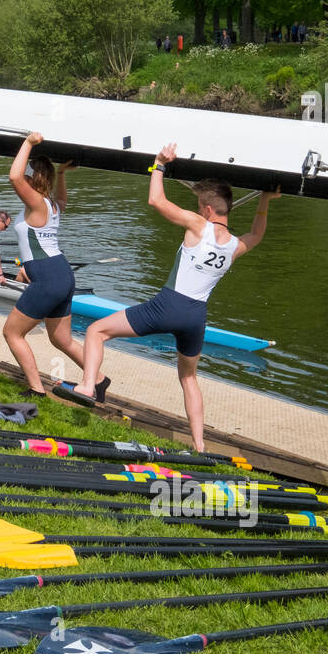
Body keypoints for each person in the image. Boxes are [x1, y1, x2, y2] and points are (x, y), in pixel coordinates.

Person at [66, 144, 278, 449]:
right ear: (227, 209)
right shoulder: (235, 246)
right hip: (196, 317)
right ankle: (200, 445)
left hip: (168, 305)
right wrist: (265, 201)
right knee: (189, 378)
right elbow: (256, 234)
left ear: (206, 209)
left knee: (96, 331)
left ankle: (88, 387)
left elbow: (156, 199)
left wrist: (159, 164)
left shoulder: (197, 224)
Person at [2, 133, 97, 398]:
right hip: (61, 273)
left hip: (47, 276)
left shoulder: (36, 202)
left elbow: (13, 176)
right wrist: (63, 174)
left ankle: (36, 388)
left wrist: (28, 143)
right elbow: (64, 200)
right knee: (61, 339)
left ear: (32, 178)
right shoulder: (52, 204)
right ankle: (98, 379)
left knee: (12, 332)